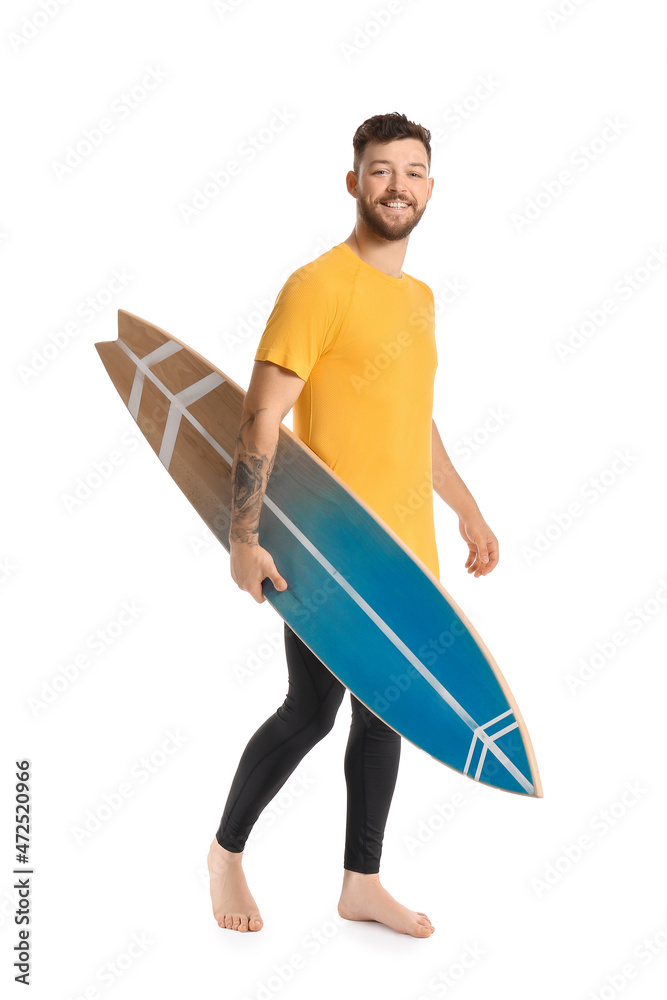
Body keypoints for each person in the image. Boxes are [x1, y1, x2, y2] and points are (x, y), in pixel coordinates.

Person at [207, 112, 499, 937]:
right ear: (354, 183)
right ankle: (225, 854)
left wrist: (466, 507)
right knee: (310, 710)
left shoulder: (420, 298)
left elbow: (414, 419)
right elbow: (261, 418)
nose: (397, 184)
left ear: (430, 190)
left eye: (412, 171)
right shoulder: (317, 286)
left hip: (406, 552)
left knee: (386, 714)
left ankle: (360, 883)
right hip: (329, 549)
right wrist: (242, 537)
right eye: (380, 170)